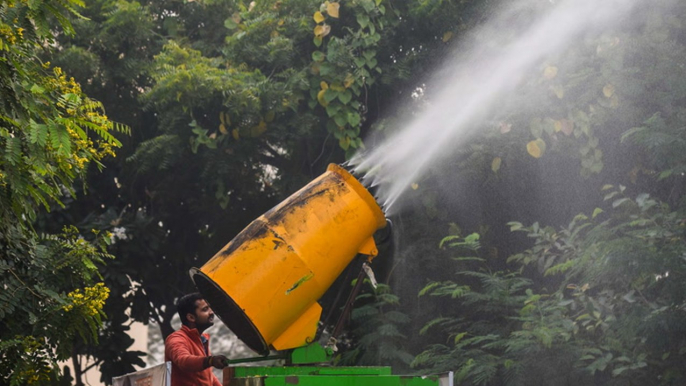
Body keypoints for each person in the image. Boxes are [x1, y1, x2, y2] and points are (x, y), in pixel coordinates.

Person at [165, 293, 228, 386]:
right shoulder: (176, 339)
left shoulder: (201, 339)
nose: (211, 312)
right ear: (191, 317)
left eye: (210, 308)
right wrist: (210, 361)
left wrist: (210, 362)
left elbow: (207, 375)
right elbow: (184, 361)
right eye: (205, 309)